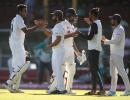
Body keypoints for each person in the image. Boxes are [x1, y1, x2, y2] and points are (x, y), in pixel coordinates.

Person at [3, 4, 41, 93]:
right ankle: (8, 83)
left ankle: (15, 87)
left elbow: (15, 32)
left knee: (21, 64)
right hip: (16, 44)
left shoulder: (15, 19)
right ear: (20, 11)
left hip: (16, 43)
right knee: (21, 64)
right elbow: (26, 31)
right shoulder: (19, 19)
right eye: (24, 11)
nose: (26, 12)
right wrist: (37, 26)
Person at [35, 10, 67, 94]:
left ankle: (61, 89)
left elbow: (58, 39)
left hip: (59, 51)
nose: (52, 17)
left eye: (53, 16)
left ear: (57, 17)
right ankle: (58, 87)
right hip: (56, 50)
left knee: (58, 70)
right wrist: (42, 27)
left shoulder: (59, 26)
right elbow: (49, 34)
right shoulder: (57, 25)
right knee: (56, 70)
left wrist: (50, 46)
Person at [102, 14, 130, 96]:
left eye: (112, 19)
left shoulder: (120, 29)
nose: (111, 21)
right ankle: (113, 91)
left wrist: (104, 41)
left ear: (116, 20)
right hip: (113, 54)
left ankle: (128, 90)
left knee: (122, 72)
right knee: (113, 73)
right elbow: (113, 41)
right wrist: (105, 39)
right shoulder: (116, 29)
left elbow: (116, 41)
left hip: (117, 54)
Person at [79, 7, 105, 95]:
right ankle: (94, 89)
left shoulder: (94, 24)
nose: (89, 16)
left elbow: (90, 37)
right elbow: (94, 32)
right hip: (95, 49)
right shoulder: (97, 23)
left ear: (93, 15)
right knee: (94, 70)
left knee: (94, 70)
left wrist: (80, 34)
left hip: (94, 49)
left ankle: (101, 89)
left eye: (90, 14)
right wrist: (90, 23)